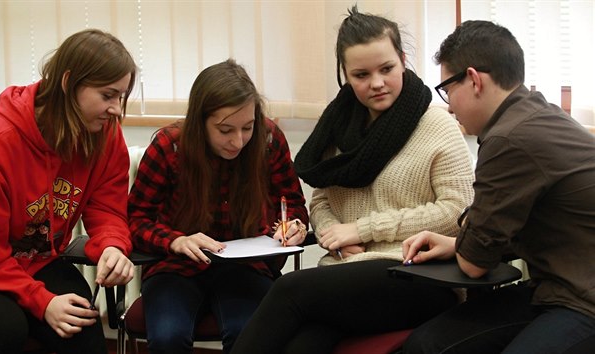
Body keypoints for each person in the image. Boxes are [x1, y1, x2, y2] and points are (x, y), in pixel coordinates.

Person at [231, 6, 474, 354]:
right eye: (361, 74)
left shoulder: (437, 125)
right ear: (344, 74)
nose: (376, 83)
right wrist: (334, 236)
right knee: (301, 346)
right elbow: (322, 200)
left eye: (387, 69)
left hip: (420, 277)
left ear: (403, 60)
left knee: (289, 290)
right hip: (347, 273)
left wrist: (362, 230)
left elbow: (456, 213)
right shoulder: (339, 127)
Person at [401, 20, 595, 354]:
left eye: (448, 89)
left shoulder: (509, 138)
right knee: (427, 344)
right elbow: (500, 230)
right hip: (557, 286)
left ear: (474, 79)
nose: (449, 105)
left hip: (582, 299)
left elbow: (474, 262)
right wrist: (456, 242)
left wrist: (464, 244)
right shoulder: (534, 112)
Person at [0, 29, 137, 354]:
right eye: (107, 95)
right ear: (69, 83)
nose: (116, 109)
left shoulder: (104, 134)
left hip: (37, 261)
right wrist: (42, 301)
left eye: (121, 97)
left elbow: (107, 210)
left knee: (83, 327)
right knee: (3, 329)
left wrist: (113, 246)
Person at [127, 58, 308, 354]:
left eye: (247, 127)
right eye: (225, 130)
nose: (238, 141)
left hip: (247, 267)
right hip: (176, 268)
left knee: (251, 335)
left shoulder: (268, 139)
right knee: (168, 336)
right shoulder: (169, 147)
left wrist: (294, 227)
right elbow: (135, 219)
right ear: (200, 122)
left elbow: (294, 205)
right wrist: (176, 240)